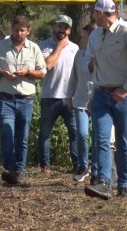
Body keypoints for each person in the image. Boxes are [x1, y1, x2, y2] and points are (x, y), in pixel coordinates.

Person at [84, 0, 127, 200]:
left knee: (123, 140)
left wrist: (126, 87)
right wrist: (92, 93)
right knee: (101, 138)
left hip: (124, 95)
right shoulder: (95, 35)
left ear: (102, 14)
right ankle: (104, 182)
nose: (94, 15)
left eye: (96, 12)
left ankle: (124, 183)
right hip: (102, 93)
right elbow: (94, 66)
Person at [0, 15, 46, 185]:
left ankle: (19, 171)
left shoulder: (34, 49)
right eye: (16, 30)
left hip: (26, 99)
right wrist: (1, 73)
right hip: (4, 98)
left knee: (23, 137)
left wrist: (27, 72)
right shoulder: (0, 47)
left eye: (22, 30)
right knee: (7, 131)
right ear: (11, 29)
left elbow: (42, 72)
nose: (19, 33)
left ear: (28, 31)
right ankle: (10, 167)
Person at [37, 15, 79, 176]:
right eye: (59, 26)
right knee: (45, 133)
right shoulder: (44, 46)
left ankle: (77, 165)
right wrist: (60, 47)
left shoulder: (75, 48)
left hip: (70, 98)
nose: (62, 30)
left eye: (65, 27)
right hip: (50, 97)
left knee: (75, 134)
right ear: (54, 28)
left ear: (69, 30)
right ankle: (45, 166)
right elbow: (48, 65)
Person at [67, 23, 96, 182]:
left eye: (86, 37)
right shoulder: (79, 54)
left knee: (99, 136)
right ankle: (83, 165)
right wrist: (69, 96)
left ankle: (97, 166)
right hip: (80, 100)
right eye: (83, 37)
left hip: (97, 100)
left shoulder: (101, 54)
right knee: (82, 134)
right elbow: (74, 77)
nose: (82, 40)